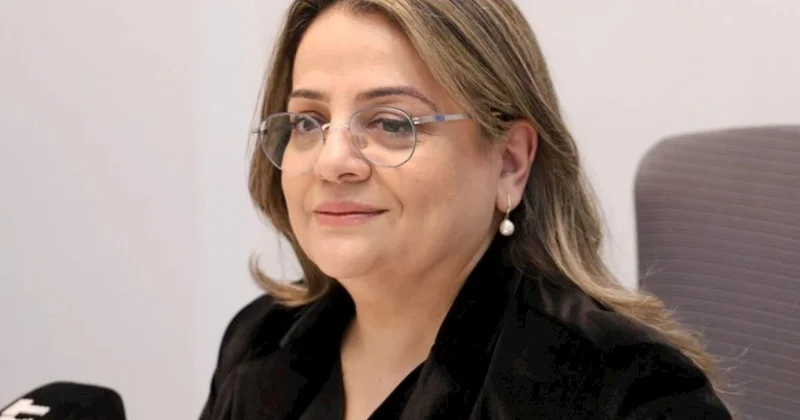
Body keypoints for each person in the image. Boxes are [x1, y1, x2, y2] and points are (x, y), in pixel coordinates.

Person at [200, 0, 733, 419]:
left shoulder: (625, 390)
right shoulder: (259, 338)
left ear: (509, 164)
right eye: (307, 122)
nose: (332, 161)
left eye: (391, 123)